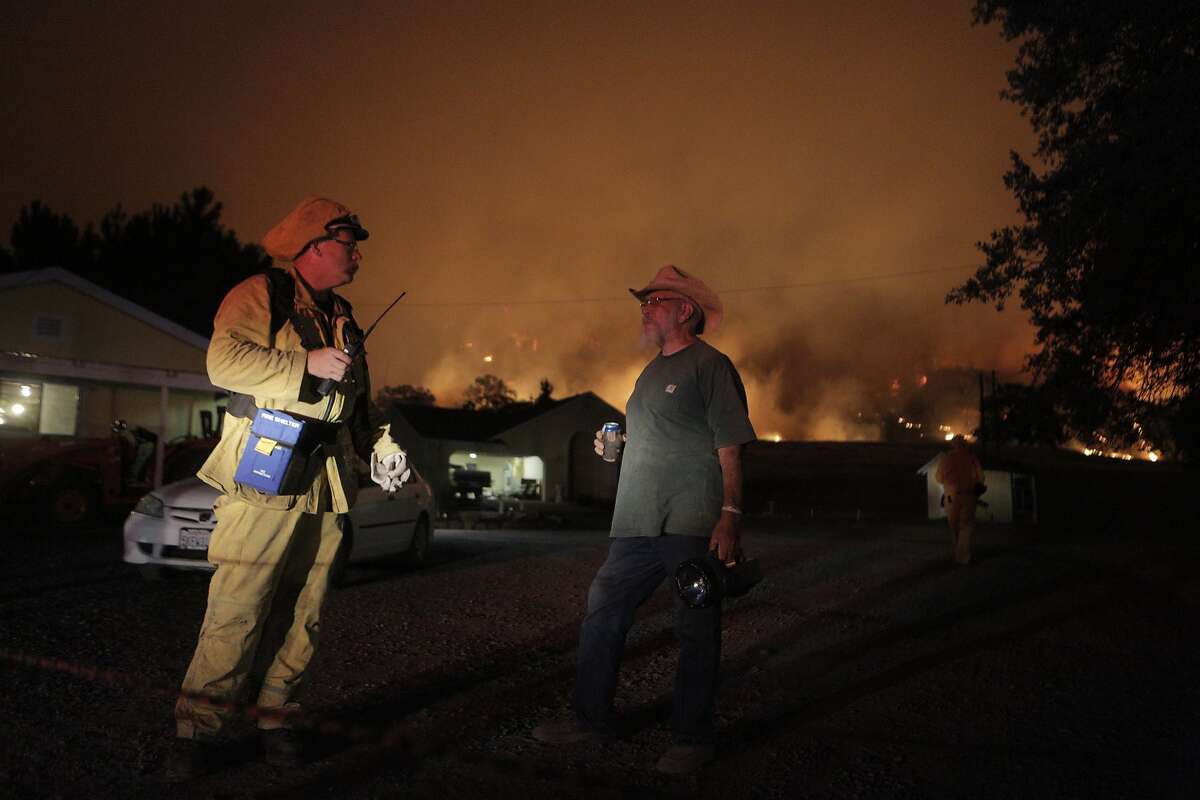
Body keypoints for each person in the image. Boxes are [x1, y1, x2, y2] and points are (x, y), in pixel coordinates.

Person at [166, 197, 410, 780]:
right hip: (263, 475)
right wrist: (305, 364)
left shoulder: (344, 313)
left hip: (325, 482)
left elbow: (360, 406)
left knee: (304, 611)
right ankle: (196, 733)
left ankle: (277, 719)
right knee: (239, 609)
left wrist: (383, 447)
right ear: (316, 247)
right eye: (349, 243)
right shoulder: (261, 294)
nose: (357, 254)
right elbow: (224, 363)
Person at [532, 265, 756, 775]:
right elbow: (661, 436)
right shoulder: (650, 373)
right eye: (643, 301)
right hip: (635, 520)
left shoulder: (710, 366)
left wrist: (730, 517)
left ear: (685, 310)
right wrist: (616, 449)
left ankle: (693, 737)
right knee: (603, 613)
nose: (644, 308)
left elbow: (731, 446)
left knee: (694, 624)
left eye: (655, 301)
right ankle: (591, 717)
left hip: (689, 518)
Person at [935, 435, 983, 565]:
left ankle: (959, 555)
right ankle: (963, 556)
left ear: (953, 445)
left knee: (954, 527)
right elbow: (981, 478)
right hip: (969, 496)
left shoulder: (946, 459)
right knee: (966, 527)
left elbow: (938, 478)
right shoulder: (972, 459)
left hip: (952, 498)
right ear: (965, 444)